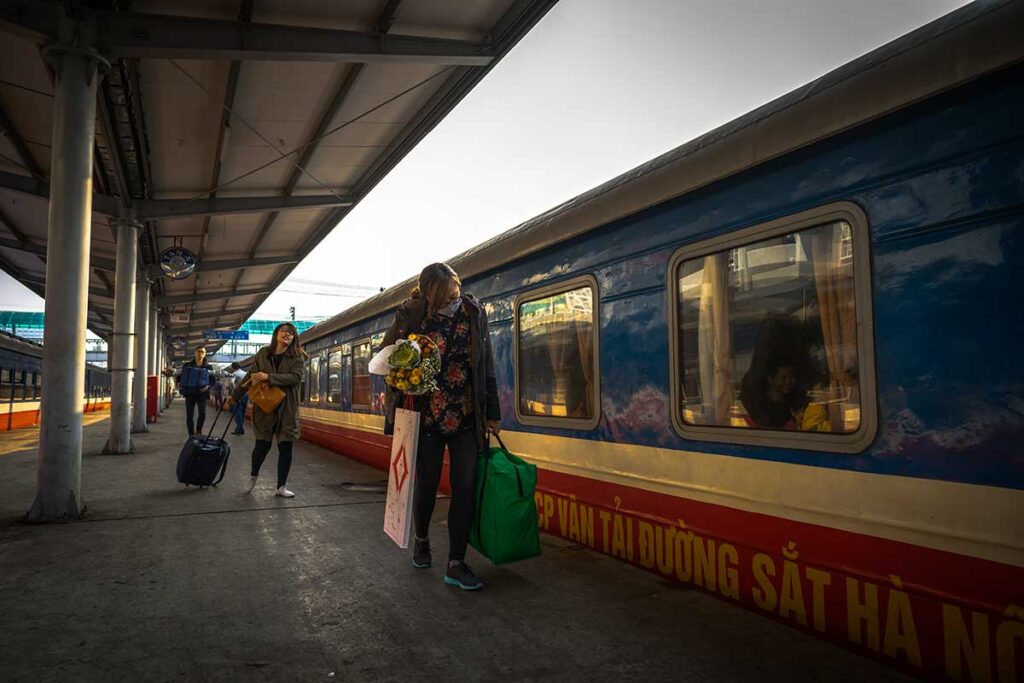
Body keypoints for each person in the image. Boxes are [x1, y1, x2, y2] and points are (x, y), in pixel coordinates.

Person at [382, 262, 501, 591]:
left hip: (464, 414)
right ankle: (422, 540)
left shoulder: (473, 314)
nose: (455, 299)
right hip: (426, 415)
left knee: (464, 487)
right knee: (427, 485)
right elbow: (387, 358)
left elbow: (485, 363)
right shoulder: (412, 315)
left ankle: (456, 562)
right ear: (430, 295)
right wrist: (407, 372)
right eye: (448, 295)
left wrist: (492, 412)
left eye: (457, 292)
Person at [231, 323, 306, 498]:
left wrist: (269, 377)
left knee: (285, 446)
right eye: (283, 331)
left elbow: (296, 377)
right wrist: (235, 396)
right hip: (264, 406)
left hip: (287, 407)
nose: (287, 334)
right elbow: (250, 376)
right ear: (276, 334)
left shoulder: (297, 357)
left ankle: (281, 486)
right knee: (262, 445)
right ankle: (253, 476)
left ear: (294, 338)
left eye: (291, 333)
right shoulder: (263, 354)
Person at [177, 346, 213, 437]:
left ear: (205, 354)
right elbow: (179, 376)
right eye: (199, 352)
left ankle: (198, 431)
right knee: (189, 415)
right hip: (189, 393)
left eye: (202, 352)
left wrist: (208, 386)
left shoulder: (209, 367)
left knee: (202, 413)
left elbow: (213, 380)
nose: (200, 354)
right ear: (195, 353)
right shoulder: (187, 365)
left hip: (202, 394)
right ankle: (191, 434)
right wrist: (178, 383)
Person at [228, 362, 248, 435]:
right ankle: (240, 427)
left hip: (238, 395)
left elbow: (231, 383)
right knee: (242, 411)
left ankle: (239, 429)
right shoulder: (245, 373)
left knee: (237, 411)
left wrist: (233, 393)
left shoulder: (234, 374)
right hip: (246, 394)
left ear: (233, 367)